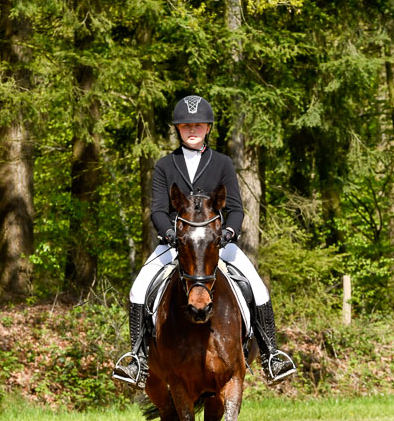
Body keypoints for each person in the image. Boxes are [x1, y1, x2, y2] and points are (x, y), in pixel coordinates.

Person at [112, 95, 296, 388]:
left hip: (216, 244)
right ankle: (137, 359)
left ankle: (272, 356)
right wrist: (170, 234)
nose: (192, 130)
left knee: (258, 288)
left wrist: (229, 232)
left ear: (208, 128)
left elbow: (235, 209)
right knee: (138, 289)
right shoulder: (165, 165)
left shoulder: (222, 163)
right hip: (176, 244)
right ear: (178, 129)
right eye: (186, 126)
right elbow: (158, 210)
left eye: (198, 125)